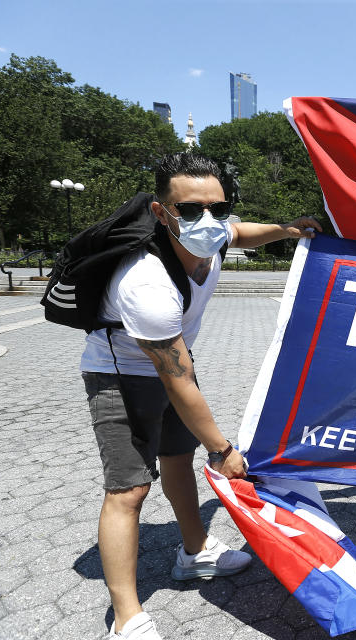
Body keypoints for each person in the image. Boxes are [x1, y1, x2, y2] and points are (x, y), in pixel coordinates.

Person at [81, 153, 322, 640]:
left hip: (173, 369)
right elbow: (178, 380)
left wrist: (287, 229)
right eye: (190, 210)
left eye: (219, 207)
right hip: (119, 374)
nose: (207, 220)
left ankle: (194, 553)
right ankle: (127, 617)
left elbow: (241, 232)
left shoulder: (209, 236)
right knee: (128, 490)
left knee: (177, 458)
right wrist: (223, 449)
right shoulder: (145, 279)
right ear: (161, 210)